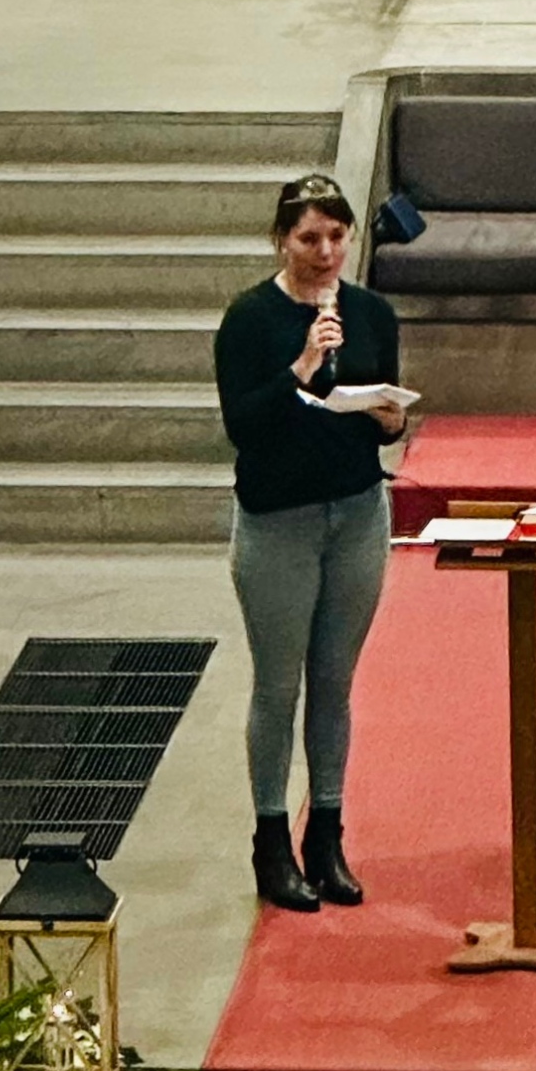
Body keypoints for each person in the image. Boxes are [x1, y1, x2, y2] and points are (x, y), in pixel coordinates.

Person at [214, 174, 409, 913]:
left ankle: (325, 834)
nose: (325, 252)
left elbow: (384, 400)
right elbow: (246, 425)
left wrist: (391, 420)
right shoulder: (250, 319)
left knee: (334, 682)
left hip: (356, 513)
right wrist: (301, 365)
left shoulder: (371, 312)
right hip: (278, 522)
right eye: (309, 239)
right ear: (281, 241)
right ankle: (271, 839)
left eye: (337, 237)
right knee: (279, 684)